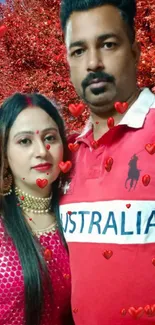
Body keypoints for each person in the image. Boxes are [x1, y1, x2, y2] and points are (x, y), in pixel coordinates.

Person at [59, 0, 155, 324]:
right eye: (78, 51)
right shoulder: (65, 156)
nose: (93, 63)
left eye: (108, 44)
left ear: (136, 51)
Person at [0, 93, 74, 325]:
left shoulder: (77, 217)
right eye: (25, 141)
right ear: (4, 152)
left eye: (50, 137)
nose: (42, 150)